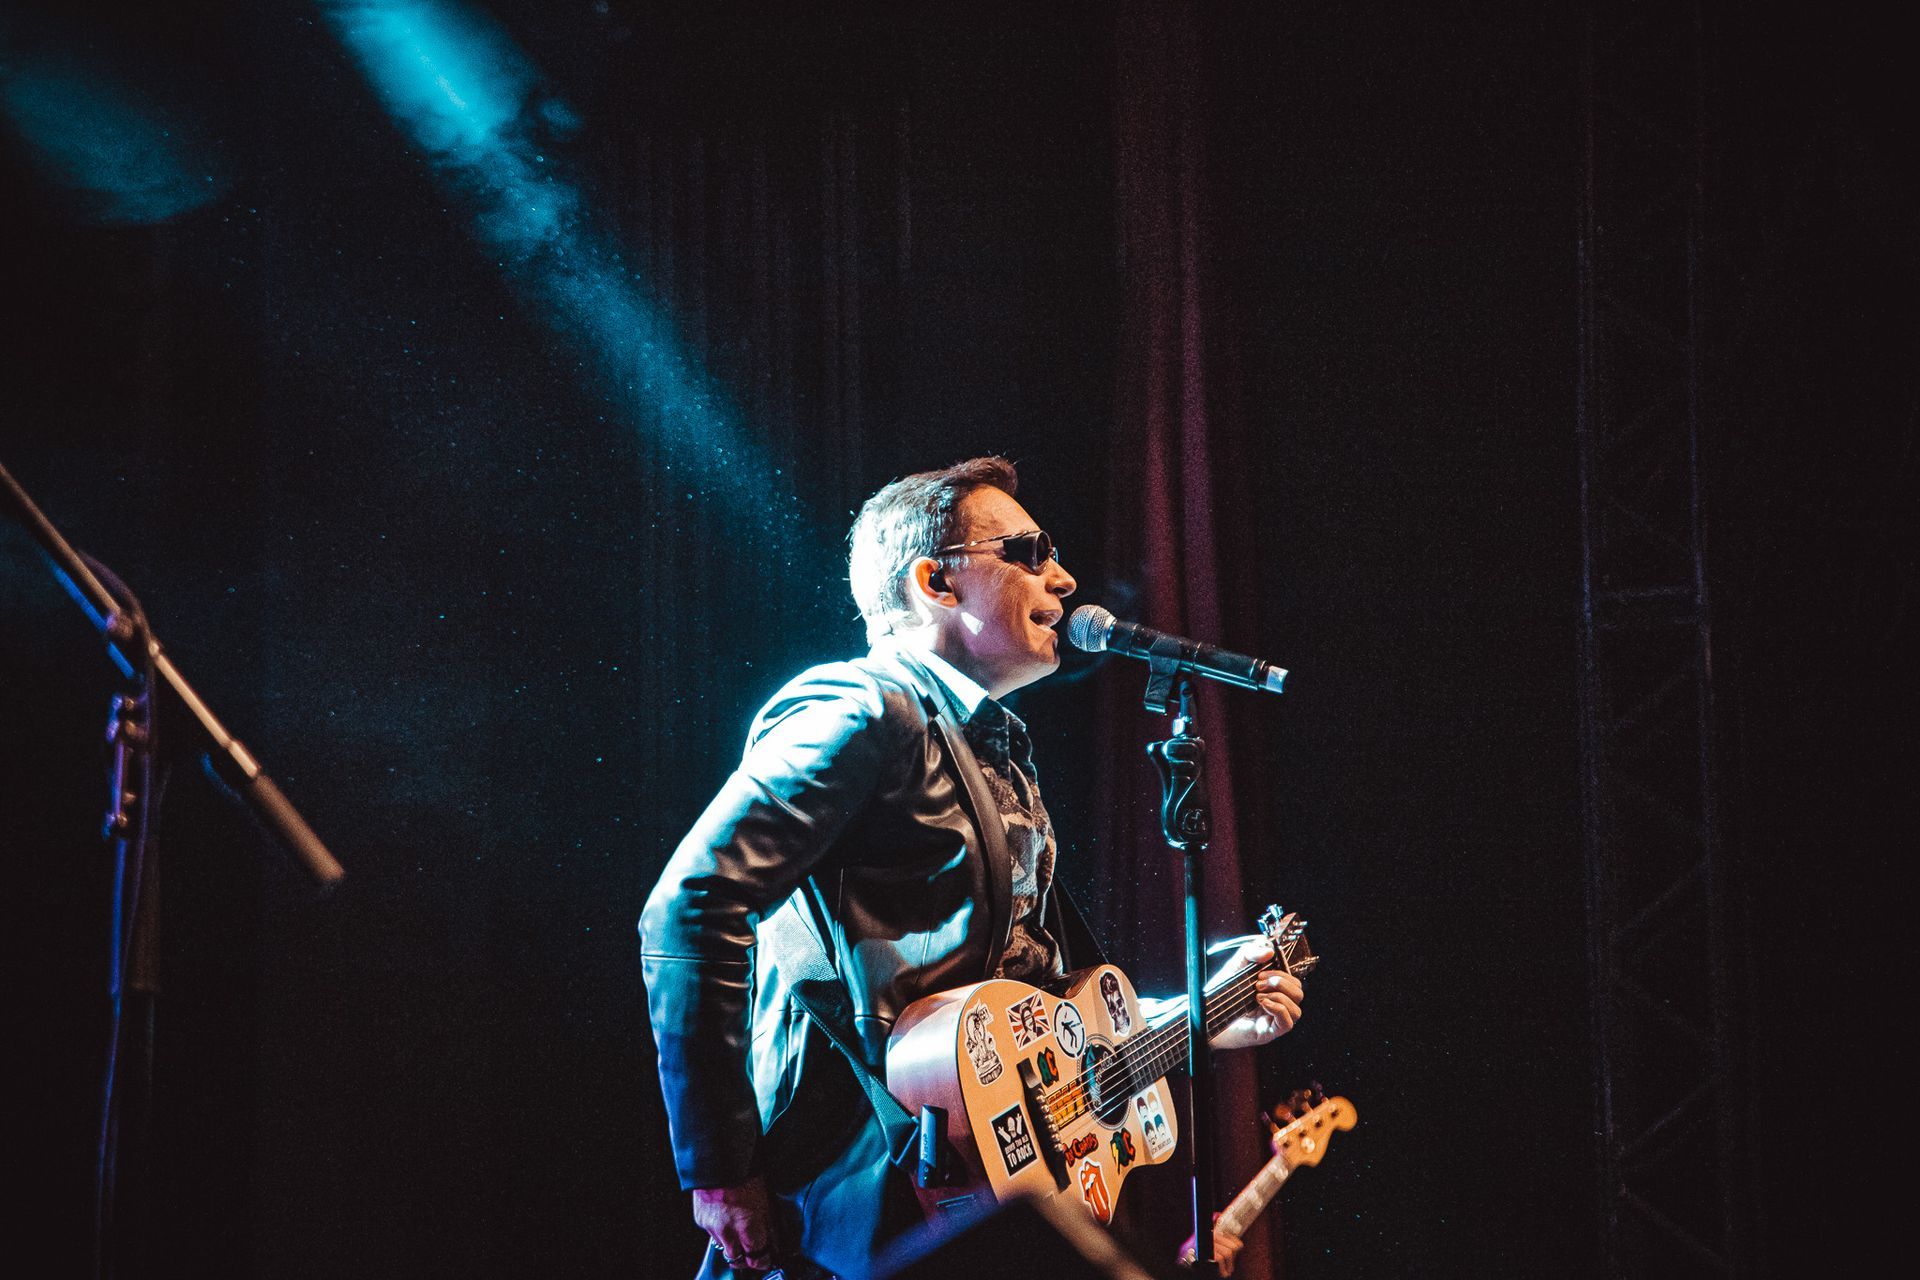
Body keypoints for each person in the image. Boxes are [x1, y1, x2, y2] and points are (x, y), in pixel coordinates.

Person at [640, 457, 1305, 1278]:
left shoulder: (992, 749)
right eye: (1029, 552)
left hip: (970, 1196)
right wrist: (718, 1165)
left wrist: (1198, 1014)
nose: (1063, 579)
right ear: (935, 582)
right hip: (862, 1192)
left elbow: (1034, 1017)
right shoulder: (861, 707)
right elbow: (692, 901)